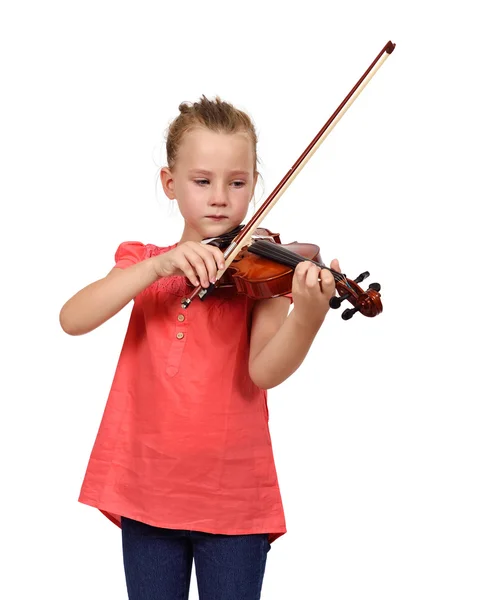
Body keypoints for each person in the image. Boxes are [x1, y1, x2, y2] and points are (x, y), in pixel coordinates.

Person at [59, 95, 340, 600]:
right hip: (144, 489)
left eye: (236, 182)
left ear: (255, 184)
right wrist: (154, 268)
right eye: (201, 181)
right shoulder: (142, 262)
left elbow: (265, 371)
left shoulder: (262, 274)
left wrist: (309, 317)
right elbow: (72, 319)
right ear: (170, 183)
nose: (219, 198)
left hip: (232, 499)